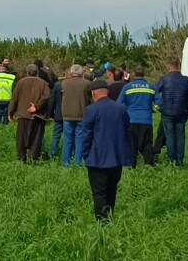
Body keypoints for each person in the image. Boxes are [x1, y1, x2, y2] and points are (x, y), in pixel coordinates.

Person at [82, 80, 132, 222]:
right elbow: (128, 133)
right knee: (112, 191)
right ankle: (110, 217)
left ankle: (102, 222)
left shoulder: (91, 110)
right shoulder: (121, 108)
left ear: (93, 93)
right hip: (116, 159)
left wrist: (86, 155)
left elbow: (86, 136)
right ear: (107, 92)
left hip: (97, 160)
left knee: (99, 193)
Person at [9, 64, 51, 163]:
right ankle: (32, 158)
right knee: (36, 138)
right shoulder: (43, 83)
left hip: (23, 114)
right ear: (37, 72)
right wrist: (37, 106)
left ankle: (21, 157)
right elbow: (47, 95)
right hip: (37, 115)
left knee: (21, 137)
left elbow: (14, 99)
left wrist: (10, 112)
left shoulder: (20, 82)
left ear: (27, 72)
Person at [117, 66, 157, 168]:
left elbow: (119, 103)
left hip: (131, 119)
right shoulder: (151, 87)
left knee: (132, 144)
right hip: (146, 120)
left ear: (134, 75)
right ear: (144, 75)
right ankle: (148, 164)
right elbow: (159, 103)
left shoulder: (127, 87)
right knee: (147, 143)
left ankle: (132, 165)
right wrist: (153, 108)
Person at [157, 59, 188, 166]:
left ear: (168, 67)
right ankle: (180, 160)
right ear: (178, 66)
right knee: (180, 136)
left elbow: (155, 91)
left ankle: (171, 159)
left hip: (167, 112)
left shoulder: (164, 79)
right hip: (181, 112)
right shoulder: (185, 80)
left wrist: (159, 106)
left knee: (170, 137)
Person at [60, 64, 92, 167]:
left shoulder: (64, 83)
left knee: (68, 140)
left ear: (72, 71)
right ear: (81, 72)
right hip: (81, 115)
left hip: (67, 115)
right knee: (79, 140)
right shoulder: (86, 83)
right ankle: (78, 162)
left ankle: (65, 163)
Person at [47, 74, 64, 158]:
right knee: (70, 137)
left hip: (59, 114)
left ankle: (52, 154)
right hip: (72, 116)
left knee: (56, 136)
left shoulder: (58, 85)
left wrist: (50, 114)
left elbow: (52, 101)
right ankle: (70, 154)